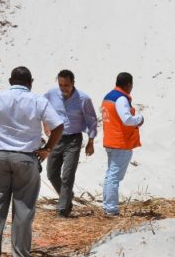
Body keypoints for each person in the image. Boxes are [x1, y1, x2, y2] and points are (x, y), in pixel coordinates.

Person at [0, 66, 64, 257]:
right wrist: (47, 149)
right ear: (31, 82)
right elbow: (58, 126)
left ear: (10, 81)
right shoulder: (38, 100)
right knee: (23, 209)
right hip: (26, 158)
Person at [43, 69, 98, 218]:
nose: (63, 88)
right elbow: (43, 108)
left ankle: (63, 210)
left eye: (66, 85)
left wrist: (91, 141)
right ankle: (66, 197)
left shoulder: (83, 99)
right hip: (55, 138)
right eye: (61, 85)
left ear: (73, 83)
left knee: (67, 175)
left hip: (73, 139)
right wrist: (45, 124)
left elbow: (92, 120)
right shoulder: (51, 94)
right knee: (51, 174)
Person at [101, 72, 144, 217]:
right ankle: (111, 209)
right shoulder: (121, 99)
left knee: (110, 175)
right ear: (128, 85)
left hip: (111, 141)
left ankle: (107, 206)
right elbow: (127, 119)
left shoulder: (108, 96)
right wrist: (139, 119)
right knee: (114, 177)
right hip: (120, 143)